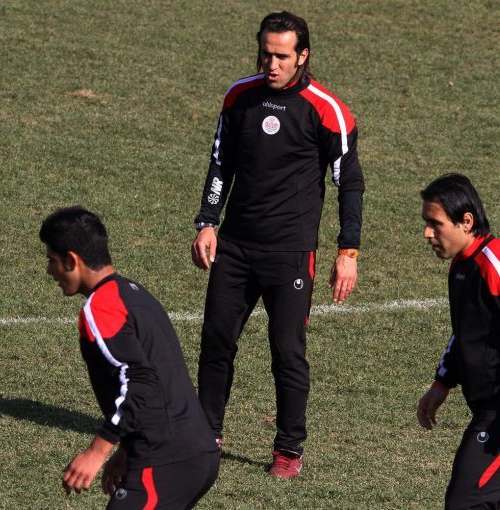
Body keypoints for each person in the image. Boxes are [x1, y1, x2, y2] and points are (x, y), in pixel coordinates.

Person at [190, 11, 365, 478]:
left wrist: (347, 251)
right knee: (216, 342)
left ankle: (288, 449)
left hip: (291, 253)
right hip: (234, 247)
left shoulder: (326, 110)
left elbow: (350, 184)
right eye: (266, 53)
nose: (272, 64)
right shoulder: (239, 97)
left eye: (282, 56)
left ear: (303, 55)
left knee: (287, 352)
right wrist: (207, 222)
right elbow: (220, 163)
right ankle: (205, 436)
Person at [40, 206, 219, 509]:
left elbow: (139, 380)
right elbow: (158, 376)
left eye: (51, 260)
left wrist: (97, 451)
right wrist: (126, 449)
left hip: (166, 459)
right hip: (194, 451)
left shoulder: (102, 308)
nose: (49, 271)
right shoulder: (133, 293)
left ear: (72, 260)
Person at [416, 174, 500, 509]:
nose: (427, 233)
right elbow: (467, 331)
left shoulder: (499, 265)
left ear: (466, 222)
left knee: (466, 501)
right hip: (492, 407)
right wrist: (442, 382)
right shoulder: (463, 264)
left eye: (435, 224)